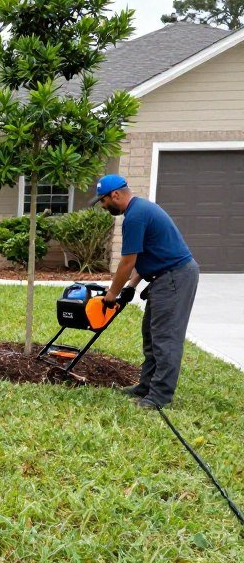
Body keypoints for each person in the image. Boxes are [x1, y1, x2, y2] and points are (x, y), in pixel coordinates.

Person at [91, 174, 199, 410]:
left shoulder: (135, 217)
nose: (103, 205)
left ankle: (159, 396)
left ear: (115, 195)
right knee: (150, 333)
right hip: (165, 276)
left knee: (165, 337)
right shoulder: (139, 210)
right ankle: (146, 385)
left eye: (103, 200)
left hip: (174, 277)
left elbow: (128, 261)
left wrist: (112, 294)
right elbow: (144, 256)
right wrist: (130, 287)